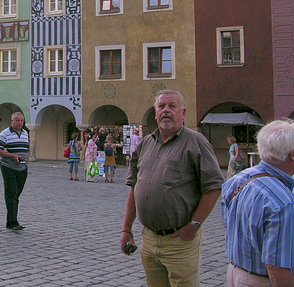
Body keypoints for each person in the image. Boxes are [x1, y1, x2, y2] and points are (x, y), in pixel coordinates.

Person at [121, 90, 224, 287]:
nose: (166, 110)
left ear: (183, 113)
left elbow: (214, 187)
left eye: (172, 106)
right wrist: (127, 229)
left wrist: (194, 226)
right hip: (149, 239)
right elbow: (135, 188)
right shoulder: (145, 145)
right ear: (155, 112)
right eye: (161, 106)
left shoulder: (196, 142)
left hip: (180, 242)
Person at [221, 119, 294, 286]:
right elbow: (277, 266)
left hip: (235, 271)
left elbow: (229, 224)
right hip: (261, 279)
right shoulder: (282, 202)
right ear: (292, 155)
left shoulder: (238, 179)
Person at [0, 112, 29, 230]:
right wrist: (13, 156)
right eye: (17, 121)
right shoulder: (5, 133)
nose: (20, 123)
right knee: (12, 193)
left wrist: (26, 163)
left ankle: (10, 220)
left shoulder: (25, 133)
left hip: (22, 168)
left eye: (21, 121)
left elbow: (27, 149)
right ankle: (13, 221)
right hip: (8, 166)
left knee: (17, 193)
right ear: (12, 121)